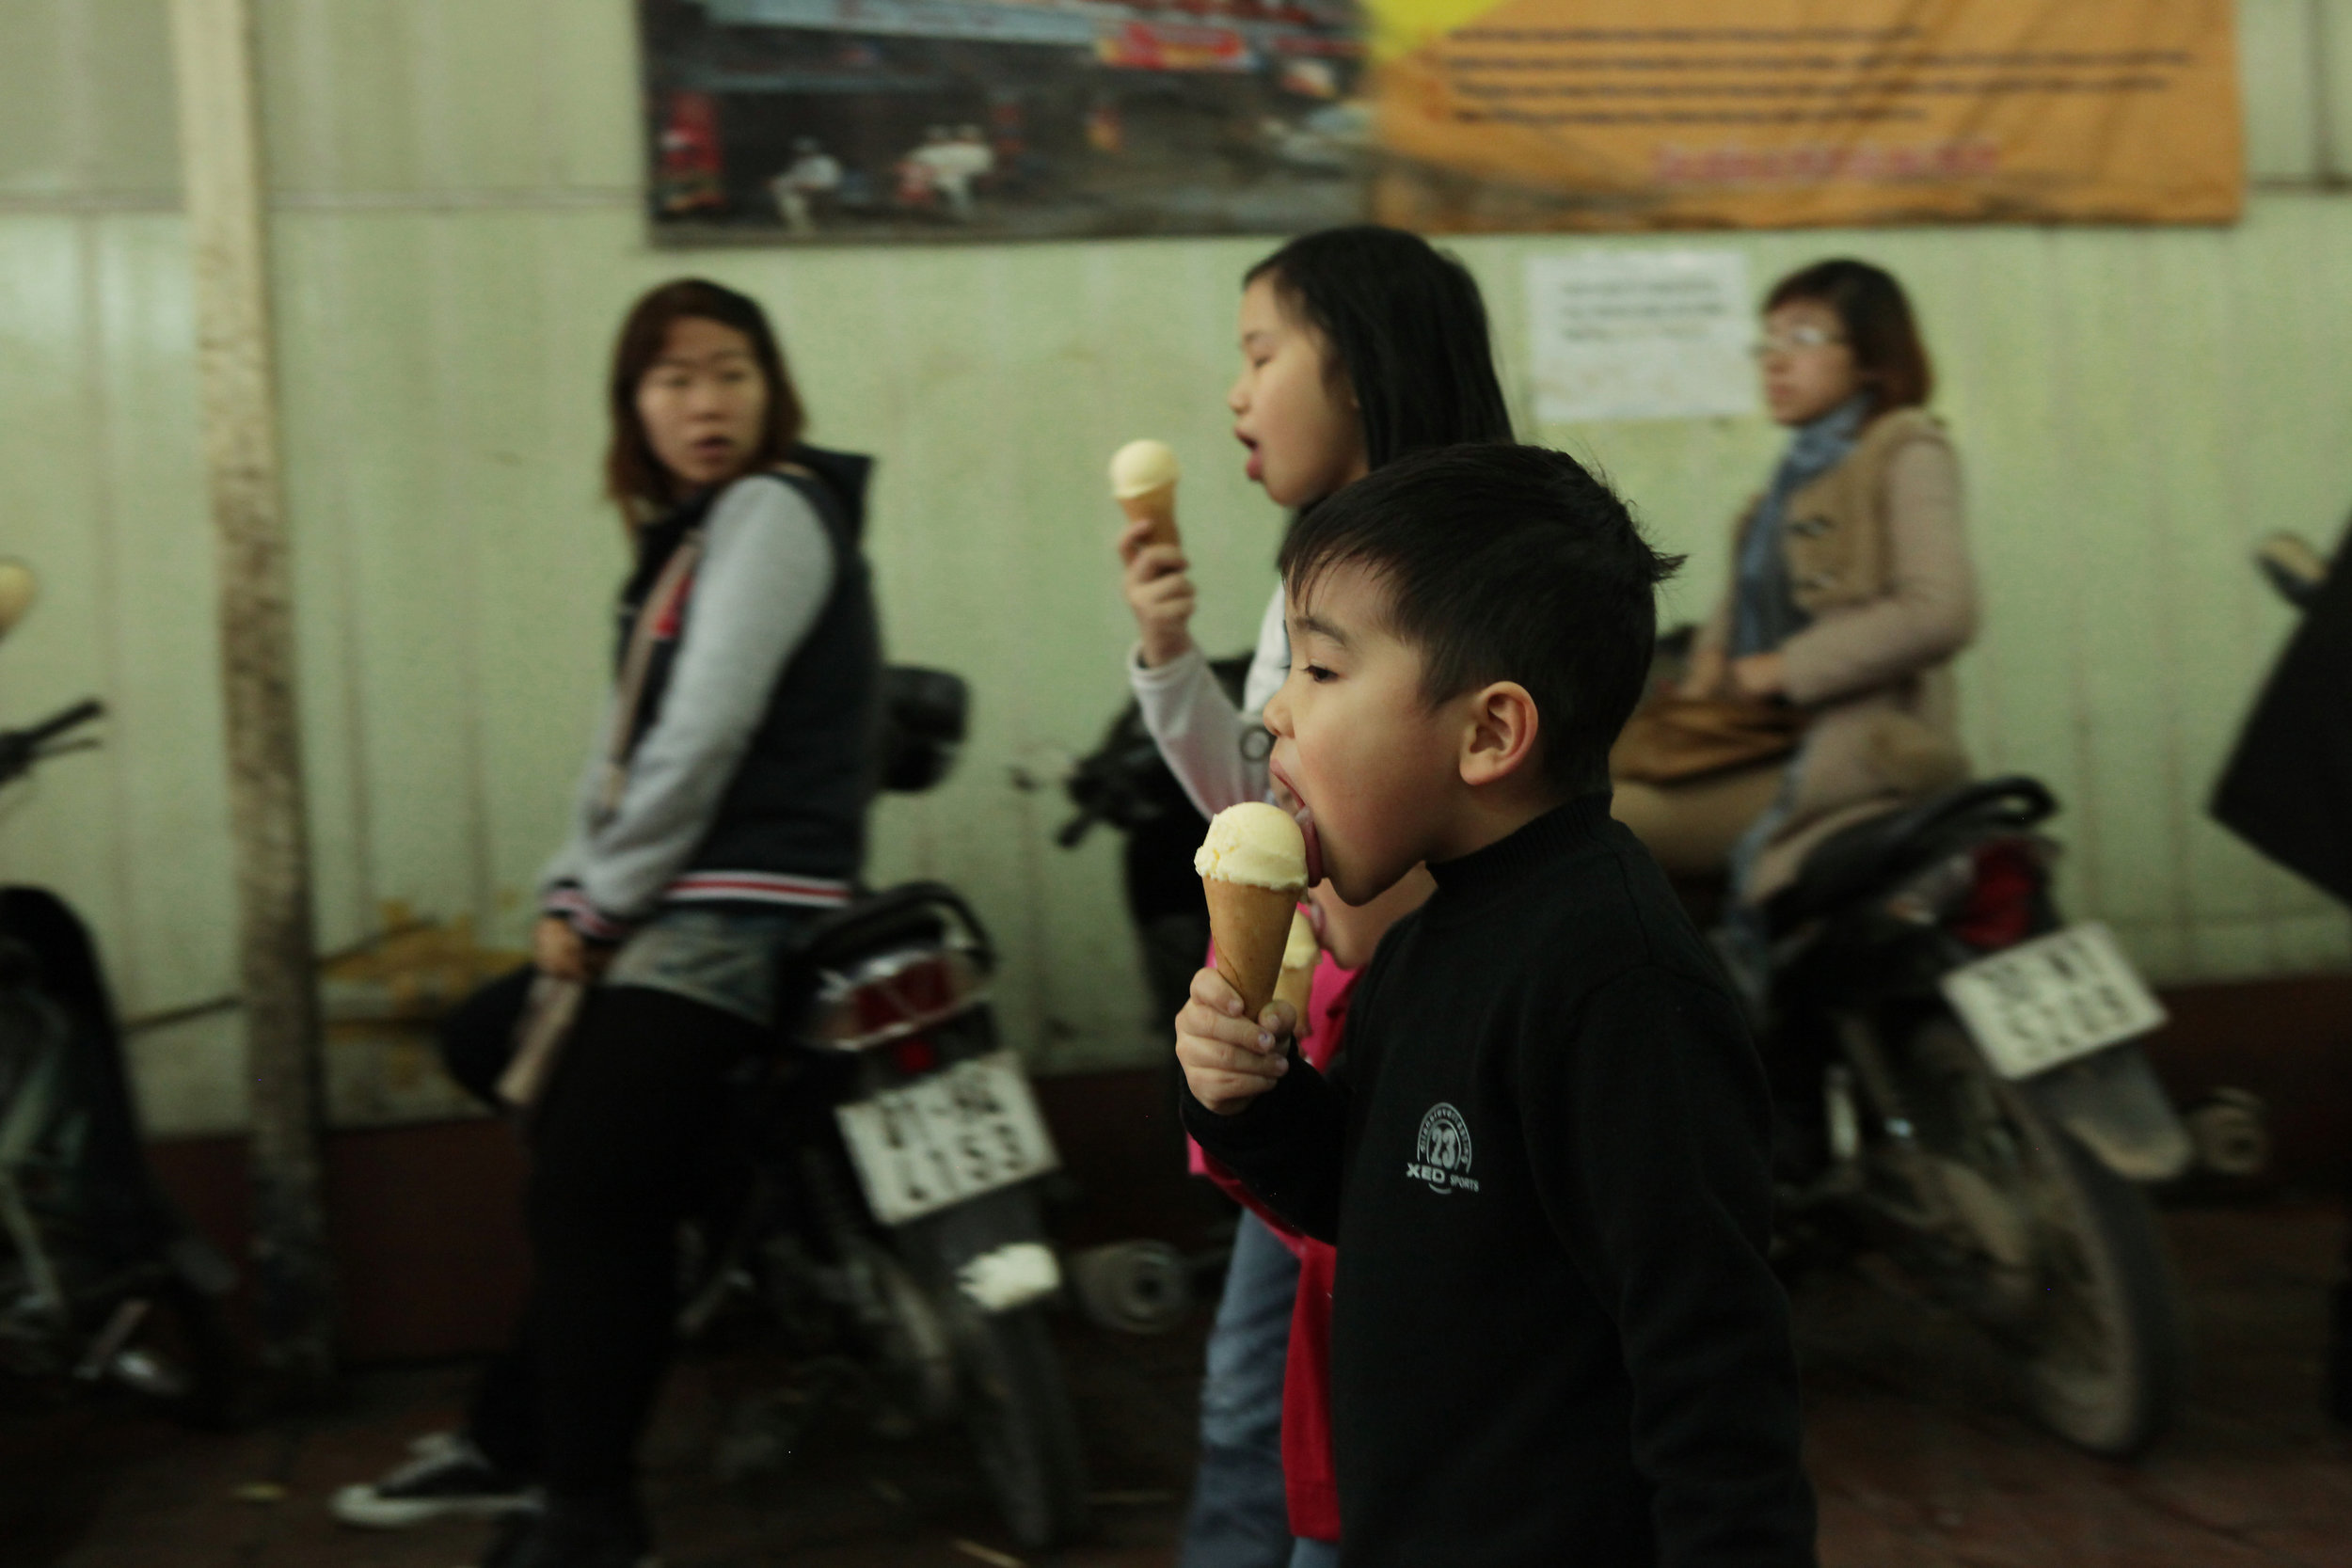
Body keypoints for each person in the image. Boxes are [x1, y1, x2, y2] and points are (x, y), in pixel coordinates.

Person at [1179, 444, 1817, 1566]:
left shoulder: (1618, 984)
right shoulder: (1428, 941)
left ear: (1488, 733)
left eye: (1322, 672)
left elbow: (1712, 1364)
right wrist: (1248, 1096)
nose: (1276, 711)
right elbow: (1362, 1198)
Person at [331, 277, 883, 1568]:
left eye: (732, 370)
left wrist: (598, 899)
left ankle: (583, 1505)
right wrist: (565, 890)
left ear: (771, 389)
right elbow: (626, 744)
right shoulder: (688, 537)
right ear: (633, 405)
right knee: (498, 1046)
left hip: (735, 911)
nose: (707, 400)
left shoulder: (772, 507)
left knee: (589, 1186)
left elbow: (703, 735)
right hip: (678, 899)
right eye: (676, 377)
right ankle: (681, 1219)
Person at [1114, 224, 1513, 1568]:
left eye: (1262, 351)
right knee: (1257, 1399)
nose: (1236, 391)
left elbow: (1328, 819)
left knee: (1336, 1414)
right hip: (1317, 1028)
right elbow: (1272, 821)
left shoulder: (1440, 575)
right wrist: (1171, 659)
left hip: (1393, 1044)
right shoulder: (1325, 559)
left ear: (1364, 367)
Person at [1611, 259, 1977, 909]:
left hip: (1850, 757)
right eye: (1769, 341)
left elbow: (1941, 610)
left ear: (1871, 357)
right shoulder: (1783, 490)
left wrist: (1778, 669)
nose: (1775, 361)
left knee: (1593, 826)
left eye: (1803, 338)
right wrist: (1707, 679)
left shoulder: (1906, 450)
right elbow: (1733, 624)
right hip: (1756, 739)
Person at [771, 136, 842, 235]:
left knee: (791, 204)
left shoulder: (826, 162)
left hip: (821, 194)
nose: (801, 153)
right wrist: (776, 182)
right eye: (799, 151)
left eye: (804, 151)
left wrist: (803, 186)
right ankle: (801, 230)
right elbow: (790, 179)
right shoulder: (799, 163)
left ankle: (805, 232)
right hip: (800, 193)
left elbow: (827, 183)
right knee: (785, 200)